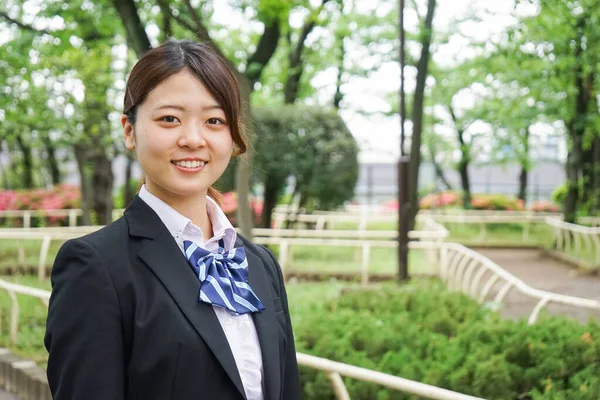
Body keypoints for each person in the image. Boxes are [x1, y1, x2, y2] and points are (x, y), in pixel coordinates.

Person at [44, 39, 301, 400]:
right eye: (170, 119)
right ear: (130, 130)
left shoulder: (260, 265)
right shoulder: (95, 267)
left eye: (214, 120)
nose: (193, 139)